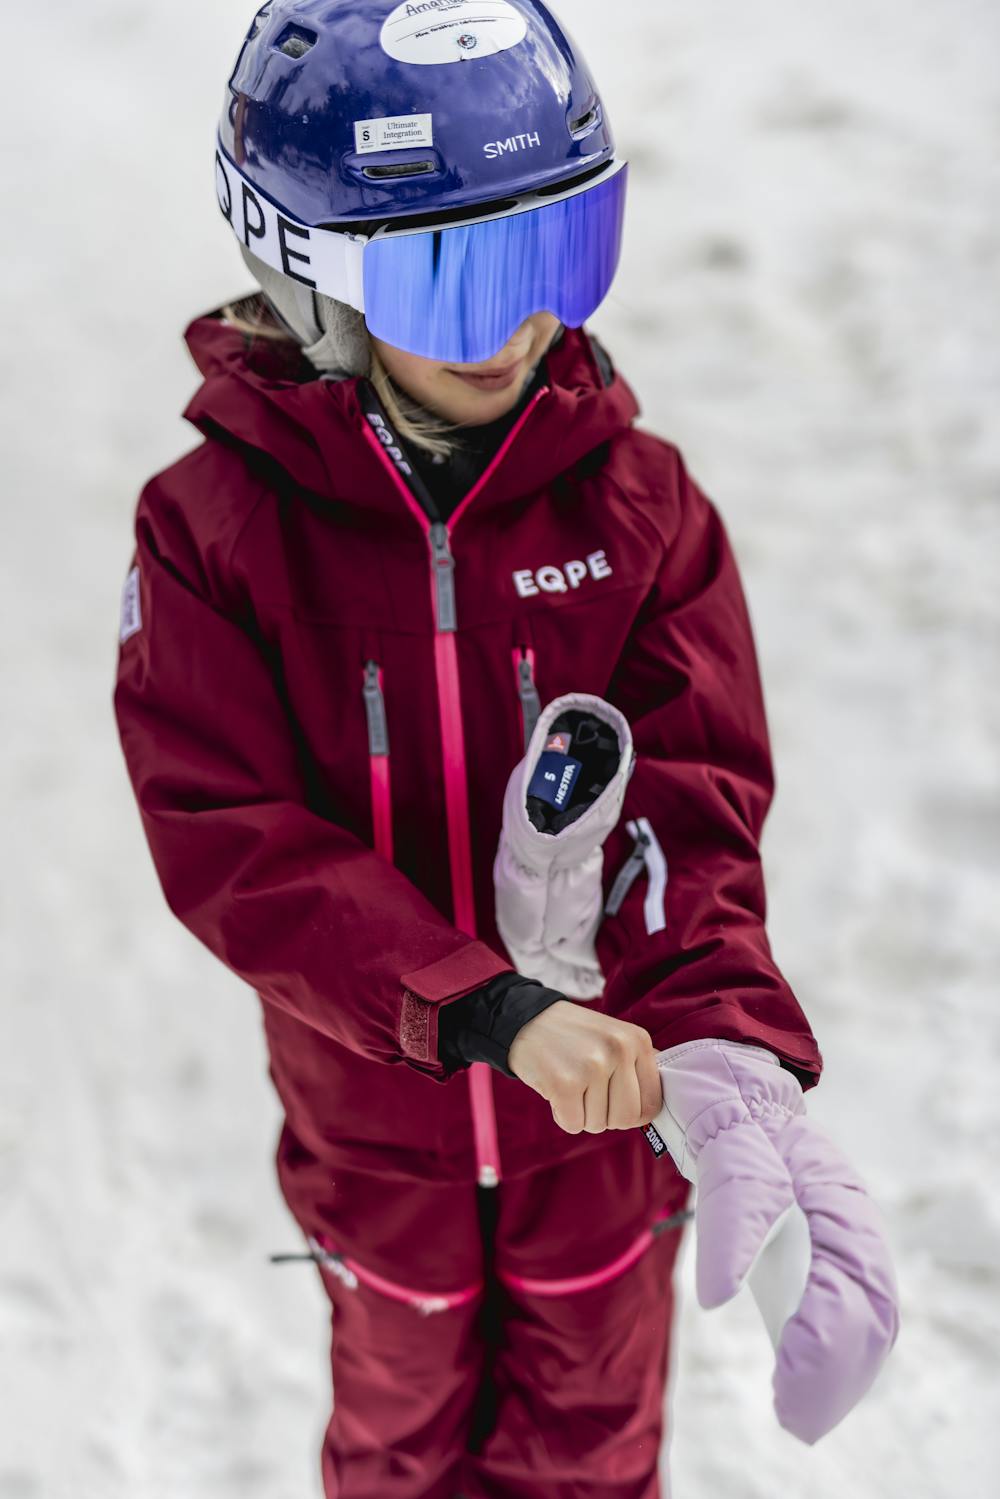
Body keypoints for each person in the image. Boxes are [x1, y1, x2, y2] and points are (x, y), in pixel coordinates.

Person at [114, 3, 898, 1496]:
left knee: (594, 1445)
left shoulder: (641, 511)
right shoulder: (212, 531)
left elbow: (694, 811)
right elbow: (231, 838)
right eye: (460, 280)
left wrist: (724, 1040)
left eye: (555, 260)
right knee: (397, 1435)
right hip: (377, 1135)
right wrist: (486, 1013)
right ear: (314, 272)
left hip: (604, 1129)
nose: (521, 327)